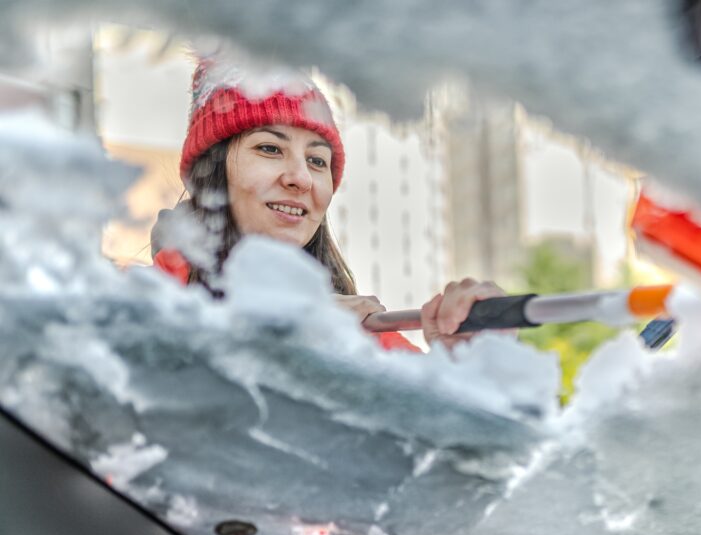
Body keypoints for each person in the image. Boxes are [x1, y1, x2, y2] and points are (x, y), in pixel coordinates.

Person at [151, 57, 504, 352]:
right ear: (210, 172)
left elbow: (468, 433)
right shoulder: (140, 306)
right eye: (270, 149)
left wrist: (469, 369)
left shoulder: (360, 335)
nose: (301, 179)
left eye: (317, 161)